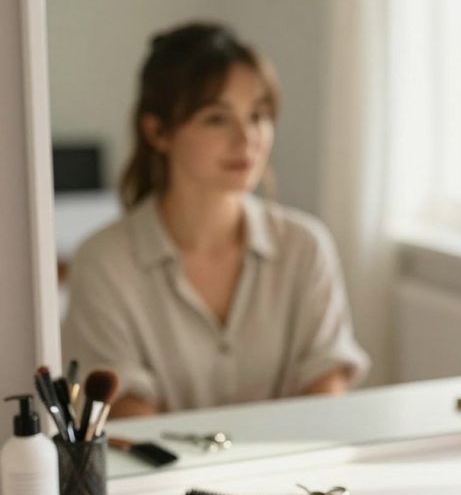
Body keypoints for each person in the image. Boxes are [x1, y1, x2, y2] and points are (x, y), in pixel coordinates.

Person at [62, 22, 369, 417]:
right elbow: (124, 409)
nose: (247, 139)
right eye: (216, 119)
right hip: (161, 477)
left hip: (293, 476)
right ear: (158, 131)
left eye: (258, 115)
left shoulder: (306, 246)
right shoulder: (103, 262)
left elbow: (327, 380)